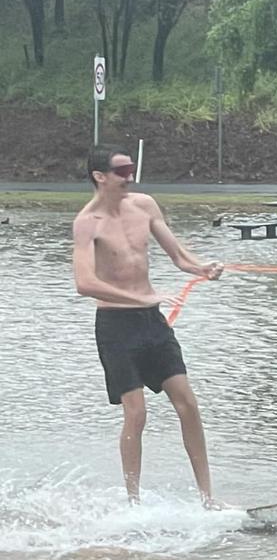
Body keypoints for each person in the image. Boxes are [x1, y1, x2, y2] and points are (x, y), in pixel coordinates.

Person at [72, 144, 225, 508]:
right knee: (136, 413)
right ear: (100, 177)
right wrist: (142, 299)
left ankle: (208, 499)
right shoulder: (86, 223)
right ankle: (133, 504)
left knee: (187, 402)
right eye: (122, 172)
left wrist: (202, 267)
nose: (130, 177)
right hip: (116, 326)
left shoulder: (145, 205)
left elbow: (177, 254)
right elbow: (84, 283)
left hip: (151, 322)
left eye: (131, 170)